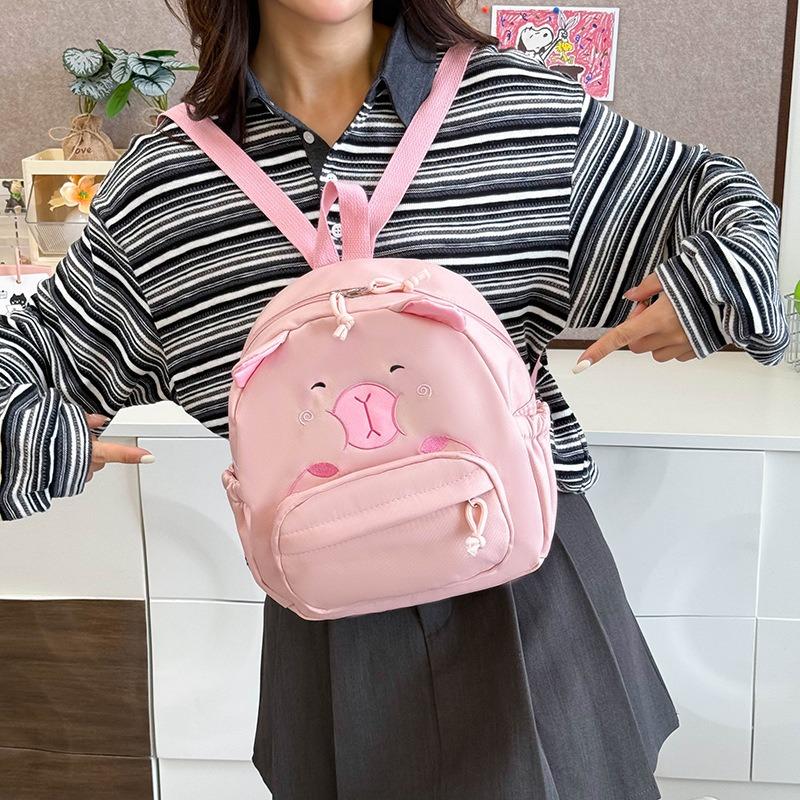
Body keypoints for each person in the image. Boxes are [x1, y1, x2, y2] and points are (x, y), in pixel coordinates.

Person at [0, 1, 788, 798]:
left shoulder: (521, 114)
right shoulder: (163, 190)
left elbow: (715, 193)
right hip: (329, 618)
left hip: (523, 592)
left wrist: (718, 282)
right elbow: (34, 354)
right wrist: (31, 438)